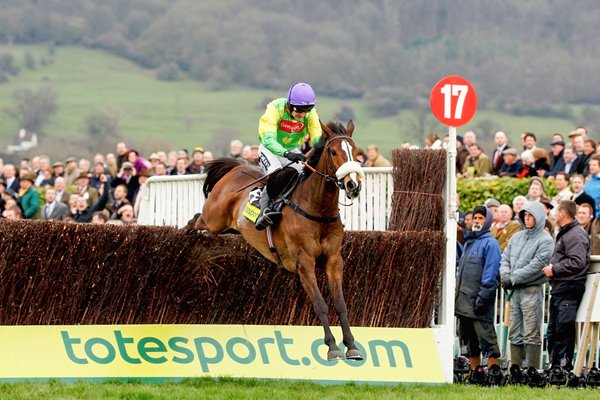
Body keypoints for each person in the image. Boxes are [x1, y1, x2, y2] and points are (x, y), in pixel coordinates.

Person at [255, 82, 322, 230]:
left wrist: (319, 146)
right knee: (277, 174)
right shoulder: (275, 108)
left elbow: (317, 134)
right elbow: (268, 138)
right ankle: (263, 209)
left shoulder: (310, 114)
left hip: (292, 150)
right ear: (290, 104)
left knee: (303, 175)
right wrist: (286, 153)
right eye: (299, 110)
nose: (302, 114)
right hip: (269, 149)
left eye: (307, 110)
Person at [499, 201, 554, 369]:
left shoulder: (546, 240)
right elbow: (505, 258)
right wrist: (505, 275)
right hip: (515, 291)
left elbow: (536, 266)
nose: (528, 219)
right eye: (525, 215)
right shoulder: (517, 237)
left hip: (531, 290)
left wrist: (512, 278)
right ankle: (515, 369)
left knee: (531, 331)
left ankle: (532, 369)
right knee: (515, 330)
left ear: (538, 217)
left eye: (531, 215)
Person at [542, 200, 590, 369]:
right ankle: (554, 367)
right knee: (554, 331)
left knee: (563, 329)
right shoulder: (567, 233)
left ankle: (562, 369)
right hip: (561, 287)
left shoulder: (575, 234)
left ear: (563, 213)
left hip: (569, 287)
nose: (554, 215)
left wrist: (554, 269)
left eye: (556, 211)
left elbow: (577, 262)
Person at [455, 205, 502, 369]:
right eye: (475, 218)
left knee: (487, 339)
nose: (477, 221)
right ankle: (475, 373)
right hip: (464, 302)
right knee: (470, 341)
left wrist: (483, 297)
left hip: (479, 301)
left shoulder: (491, 243)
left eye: (481, 218)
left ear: (487, 221)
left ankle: (493, 372)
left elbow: (491, 273)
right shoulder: (469, 242)